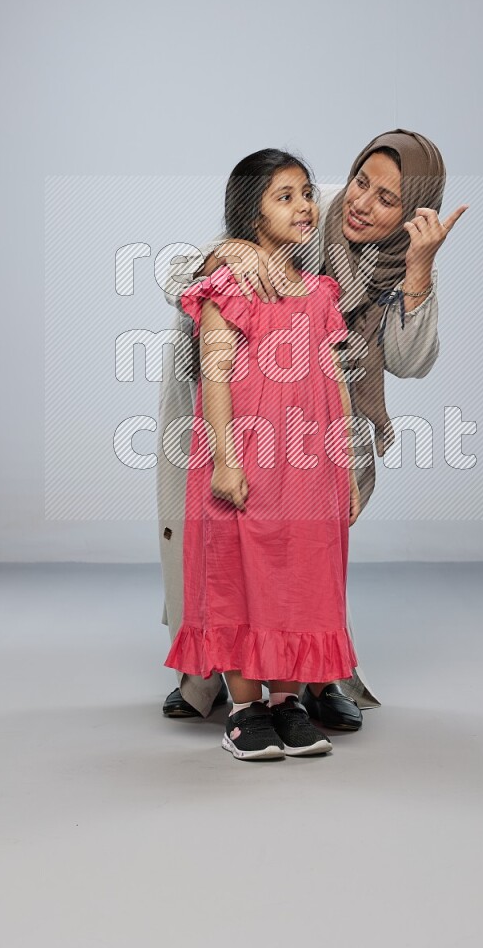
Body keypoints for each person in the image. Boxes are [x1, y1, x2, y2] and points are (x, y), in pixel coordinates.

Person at [158, 130, 467, 728]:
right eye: (361, 182)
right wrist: (223, 251)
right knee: (218, 549)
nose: (362, 204)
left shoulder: (405, 261)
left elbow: (408, 360)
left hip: (325, 420)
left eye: (388, 199)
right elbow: (180, 279)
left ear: (413, 213)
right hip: (234, 414)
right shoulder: (302, 208)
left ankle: (315, 680)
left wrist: (422, 272)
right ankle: (210, 678)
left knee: (308, 558)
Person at [164, 149, 360, 761]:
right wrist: (225, 457)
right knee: (239, 574)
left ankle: (286, 700)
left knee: (301, 575)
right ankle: (245, 707)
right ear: (251, 215)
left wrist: (348, 465)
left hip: (308, 465)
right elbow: (216, 375)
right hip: (247, 456)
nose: (305, 205)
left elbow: (338, 382)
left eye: (307, 193)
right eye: (285, 196)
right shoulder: (228, 286)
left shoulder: (322, 293)